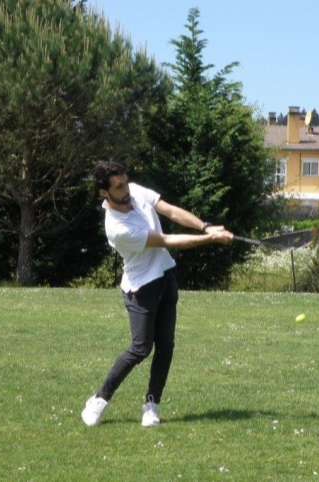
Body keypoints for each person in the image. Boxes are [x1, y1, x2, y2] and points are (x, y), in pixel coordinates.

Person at [81, 161, 233, 427]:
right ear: (104, 193)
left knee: (165, 346)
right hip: (141, 288)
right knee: (140, 348)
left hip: (165, 278)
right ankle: (99, 399)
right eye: (118, 186)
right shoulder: (116, 227)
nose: (126, 189)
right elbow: (166, 240)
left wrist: (206, 226)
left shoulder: (135, 192)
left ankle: (152, 405)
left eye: (126, 181)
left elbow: (171, 211)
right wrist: (209, 239)